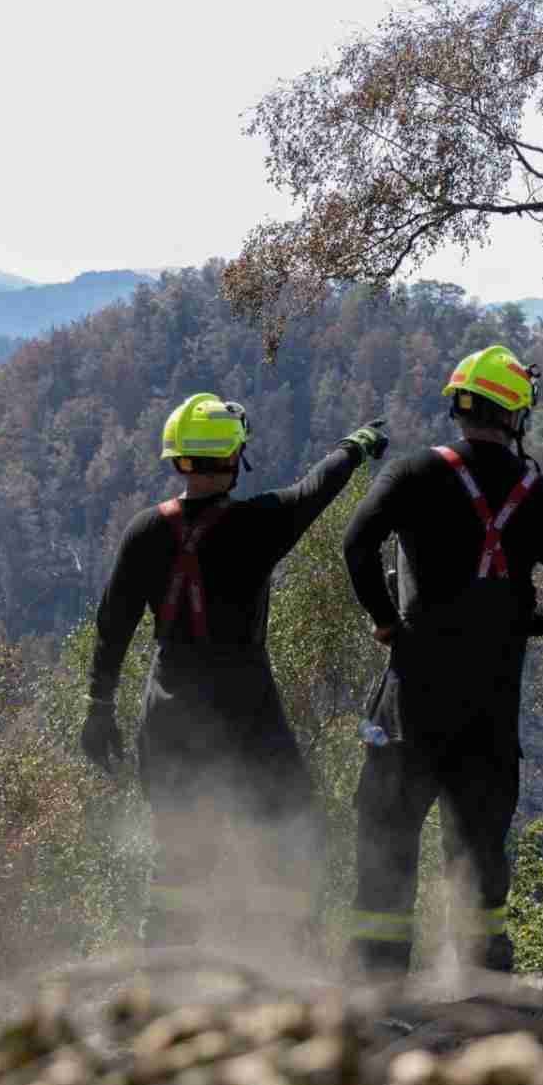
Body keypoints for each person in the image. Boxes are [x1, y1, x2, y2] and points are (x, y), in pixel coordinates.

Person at [81, 393, 388, 949]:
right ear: (233, 458)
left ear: (176, 459)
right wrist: (354, 447)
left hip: (169, 710)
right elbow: (315, 489)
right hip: (245, 709)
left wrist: (99, 708)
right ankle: (287, 955)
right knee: (290, 828)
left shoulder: (144, 532)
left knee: (179, 853)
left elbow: (112, 627)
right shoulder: (258, 524)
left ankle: (164, 975)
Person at [341, 345, 543, 976]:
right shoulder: (537, 493)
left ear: (458, 405)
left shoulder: (412, 474)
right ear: (515, 413)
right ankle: (482, 986)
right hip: (488, 712)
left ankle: (379, 989)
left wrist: (386, 621)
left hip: (410, 707)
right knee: (478, 853)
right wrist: (519, 628)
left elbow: (357, 544)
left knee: (387, 842)